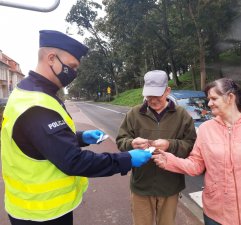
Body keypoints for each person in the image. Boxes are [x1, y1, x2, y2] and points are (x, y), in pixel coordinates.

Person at [0, 30, 152, 225]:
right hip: (41, 213)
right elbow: (73, 161)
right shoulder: (36, 105)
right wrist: (126, 159)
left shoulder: (28, 92)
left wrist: (81, 137)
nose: (73, 73)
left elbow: (42, 140)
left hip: (33, 207)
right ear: (51, 58)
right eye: (71, 66)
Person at [152, 77, 241, 225]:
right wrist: (169, 160)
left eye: (213, 98)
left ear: (230, 97)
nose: (209, 103)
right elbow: (196, 165)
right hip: (216, 215)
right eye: (208, 99)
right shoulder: (206, 129)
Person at [116, 70, 197, 225]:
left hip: (170, 184)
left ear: (167, 91)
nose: (152, 100)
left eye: (157, 95)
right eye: (149, 96)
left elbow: (191, 145)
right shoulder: (134, 113)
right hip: (141, 184)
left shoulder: (182, 115)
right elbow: (121, 141)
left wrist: (170, 144)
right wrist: (131, 144)